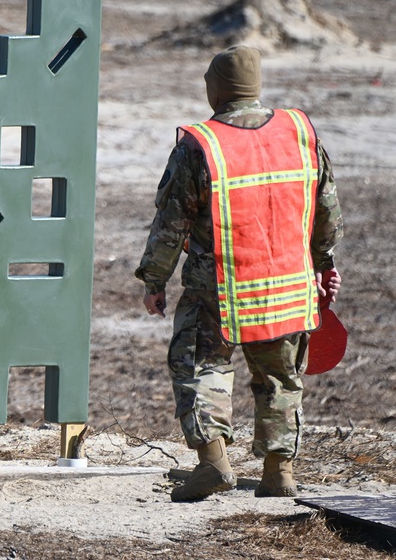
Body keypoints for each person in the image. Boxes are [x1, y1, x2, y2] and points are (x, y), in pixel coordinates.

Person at [135, 46, 343, 502]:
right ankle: (279, 472)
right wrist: (324, 263)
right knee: (280, 379)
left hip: (219, 288)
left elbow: (171, 222)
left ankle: (213, 463)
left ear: (216, 89)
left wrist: (155, 281)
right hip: (288, 284)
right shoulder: (298, 132)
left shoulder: (200, 144)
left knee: (199, 365)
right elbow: (325, 208)